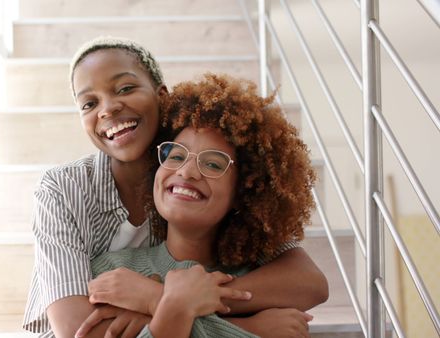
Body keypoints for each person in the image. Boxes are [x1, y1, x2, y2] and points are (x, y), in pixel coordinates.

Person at [23, 36, 328, 338]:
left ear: (162, 95)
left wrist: (163, 299)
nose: (108, 109)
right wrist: (229, 323)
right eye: (89, 103)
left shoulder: (194, 154)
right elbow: (79, 331)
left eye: (126, 88)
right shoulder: (63, 190)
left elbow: (308, 280)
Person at [76, 73, 319, 338]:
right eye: (176, 155)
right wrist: (178, 304)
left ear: (243, 192)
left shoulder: (267, 283)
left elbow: (315, 284)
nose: (187, 171)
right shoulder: (112, 274)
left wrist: (162, 304)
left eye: (213, 163)